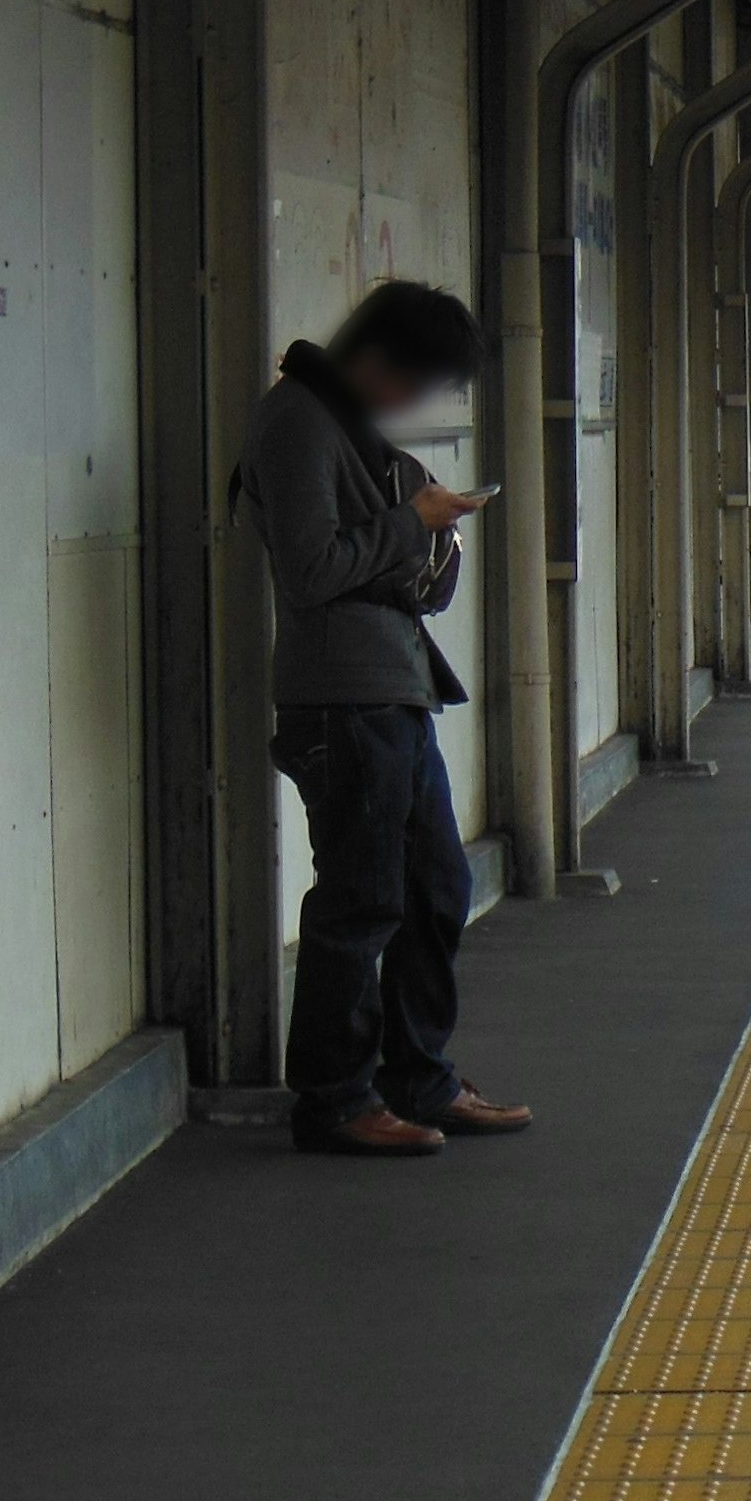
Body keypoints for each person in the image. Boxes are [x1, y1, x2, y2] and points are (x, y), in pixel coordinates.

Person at [237, 282, 530, 1158]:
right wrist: (414, 522)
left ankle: (417, 1077)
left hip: (393, 689)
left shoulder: (345, 424)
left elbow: (394, 562)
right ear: (379, 361)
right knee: (361, 900)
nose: (416, 404)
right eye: (418, 382)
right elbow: (311, 568)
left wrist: (430, 533)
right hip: (340, 698)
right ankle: (334, 1096)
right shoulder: (297, 422)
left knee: (436, 887)